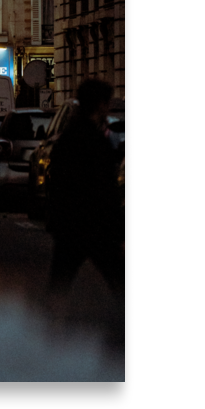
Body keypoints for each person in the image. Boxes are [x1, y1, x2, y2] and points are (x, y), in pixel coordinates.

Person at [46, 78, 124, 294]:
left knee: (59, 284)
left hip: (70, 226)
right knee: (118, 280)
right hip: (96, 225)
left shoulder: (68, 137)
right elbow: (106, 189)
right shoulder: (96, 140)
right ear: (100, 104)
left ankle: (50, 325)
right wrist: (117, 230)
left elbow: (57, 182)